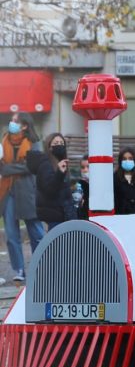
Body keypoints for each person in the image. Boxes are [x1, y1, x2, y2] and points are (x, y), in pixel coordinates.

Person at [0, 112, 47, 283]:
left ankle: (41, 266)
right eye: (12, 120)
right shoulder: (4, 140)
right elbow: (1, 166)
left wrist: (8, 169)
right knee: (11, 234)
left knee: (36, 231)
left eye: (15, 121)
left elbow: (30, 167)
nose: (11, 123)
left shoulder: (34, 142)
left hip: (27, 192)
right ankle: (19, 269)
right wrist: (13, 167)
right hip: (7, 191)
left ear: (25, 125)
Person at [36, 133, 77, 230]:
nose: (59, 145)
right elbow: (50, 190)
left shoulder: (62, 162)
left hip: (65, 213)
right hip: (55, 215)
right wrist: (59, 173)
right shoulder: (45, 165)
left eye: (61, 143)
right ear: (49, 147)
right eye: (56, 143)